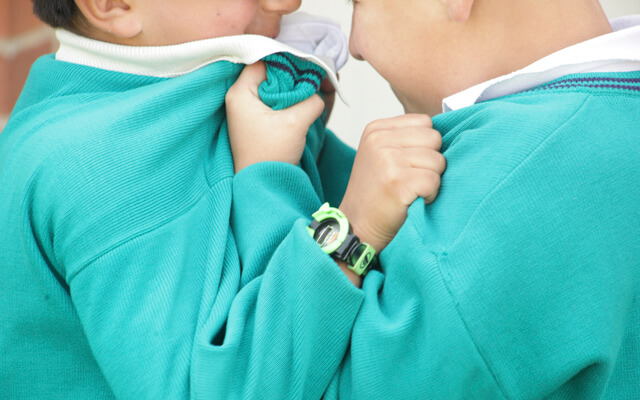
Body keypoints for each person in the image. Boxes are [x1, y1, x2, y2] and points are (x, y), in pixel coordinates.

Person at [0, 0, 445, 398]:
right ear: (112, 4)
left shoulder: (174, 97)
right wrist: (344, 227)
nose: (288, 3)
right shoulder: (101, 169)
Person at [226, 0, 640, 398]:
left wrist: (270, 176)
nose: (355, 47)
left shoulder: (498, 200)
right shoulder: (607, 134)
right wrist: (314, 154)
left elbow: (258, 384)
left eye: (358, 3)